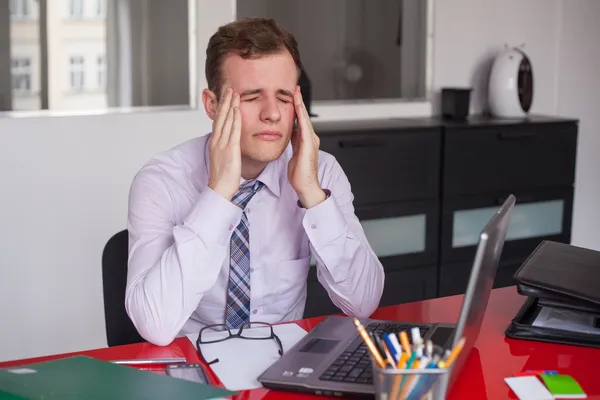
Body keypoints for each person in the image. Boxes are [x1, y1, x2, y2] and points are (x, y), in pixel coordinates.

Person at [125, 17, 385, 346]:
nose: (273, 114)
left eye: (283, 97)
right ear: (212, 105)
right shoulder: (161, 181)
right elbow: (154, 325)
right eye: (251, 97)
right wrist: (218, 195)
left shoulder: (321, 173)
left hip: (285, 368)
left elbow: (364, 303)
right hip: (194, 373)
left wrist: (313, 197)